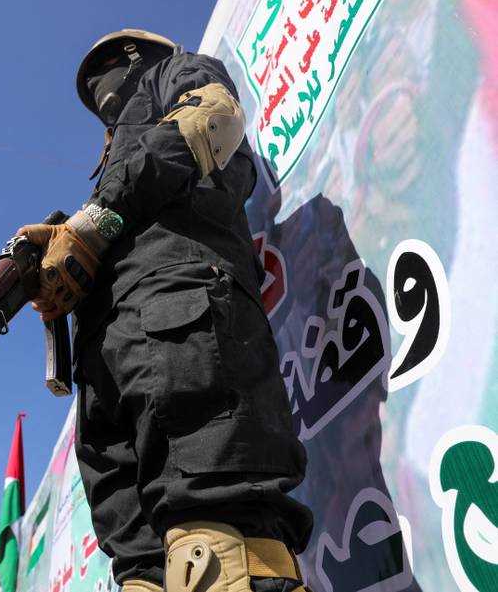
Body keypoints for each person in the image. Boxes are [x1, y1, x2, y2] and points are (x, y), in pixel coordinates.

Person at [18, 29, 314, 592]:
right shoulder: (107, 166)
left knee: (219, 546)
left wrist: (93, 222)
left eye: (111, 64)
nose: (101, 82)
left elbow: (213, 118)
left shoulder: (175, 76)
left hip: (182, 317)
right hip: (111, 366)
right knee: (142, 570)